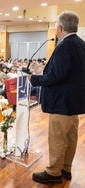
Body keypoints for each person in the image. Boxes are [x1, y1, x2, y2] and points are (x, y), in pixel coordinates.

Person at [28, 11, 85, 184]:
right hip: (74, 103)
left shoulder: (64, 46)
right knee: (70, 138)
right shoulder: (81, 44)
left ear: (60, 28)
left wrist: (35, 78)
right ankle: (66, 168)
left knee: (58, 138)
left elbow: (56, 77)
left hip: (61, 102)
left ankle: (53, 172)